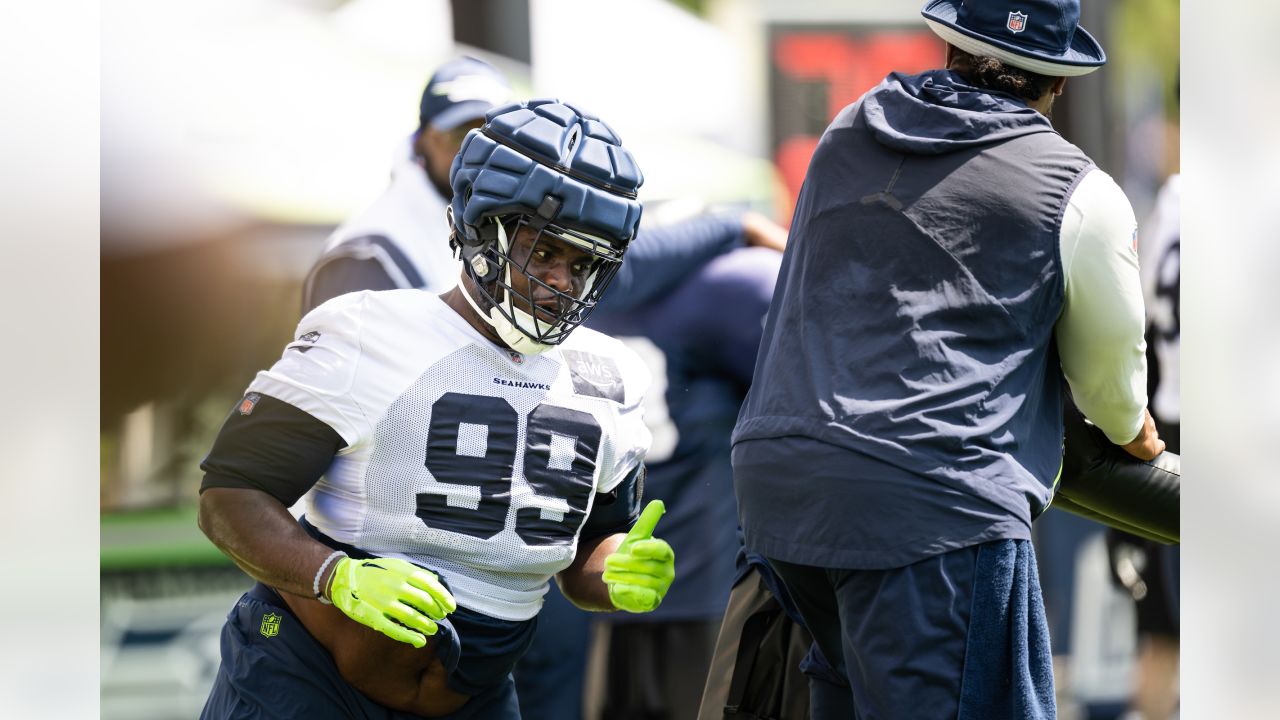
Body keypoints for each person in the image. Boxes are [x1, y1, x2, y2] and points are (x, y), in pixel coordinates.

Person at [730, 1, 1165, 717]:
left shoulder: (848, 127)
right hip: (930, 507)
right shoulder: (1083, 191)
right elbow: (1108, 389)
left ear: (953, 46)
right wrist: (1136, 430)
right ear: (1059, 82)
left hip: (781, 493)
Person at [197, 99, 677, 719]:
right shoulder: (370, 332)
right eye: (544, 252)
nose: (564, 281)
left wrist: (616, 571)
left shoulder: (610, 377)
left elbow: (587, 551)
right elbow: (229, 495)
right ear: (481, 228)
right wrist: (334, 576)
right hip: (305, 677)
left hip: (473, 698)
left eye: (585, 263)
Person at [302, 55, 780, 317]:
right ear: (424, 139)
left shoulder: (507, 211)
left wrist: (732, 226)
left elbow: (617, 270)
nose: (471, 147)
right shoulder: (371, 250)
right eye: (455, 133)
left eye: (484, 132)